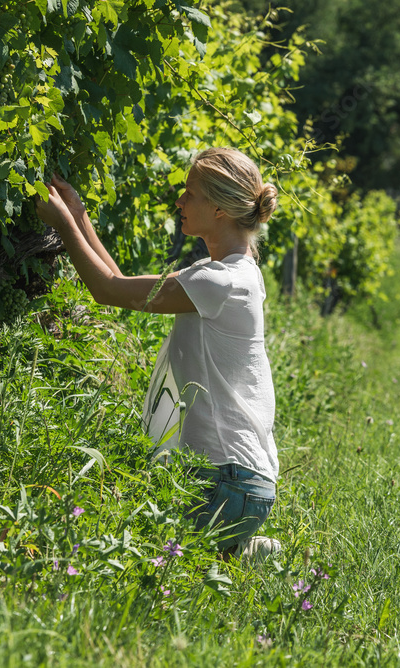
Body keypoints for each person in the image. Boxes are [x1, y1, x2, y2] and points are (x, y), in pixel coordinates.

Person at [36, 147, 282, 561]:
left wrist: (63, 223)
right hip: (247, 482)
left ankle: (231, 547)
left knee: (141, 558)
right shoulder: (240, 274)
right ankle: (235, 545)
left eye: (190, 193)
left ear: (219, 208)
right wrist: (80, 217)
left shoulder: (216, 280)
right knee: (163, 554)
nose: (179, 202)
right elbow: (122, 283)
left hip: (224, 480)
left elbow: (107, 289)